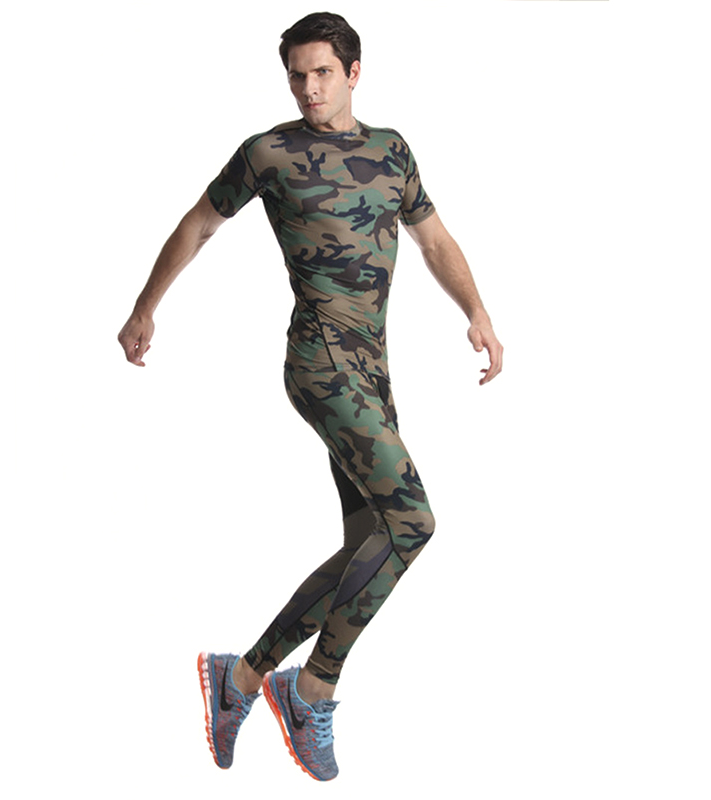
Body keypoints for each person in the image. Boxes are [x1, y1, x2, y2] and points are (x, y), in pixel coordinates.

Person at [118, 12, 503, 782]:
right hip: (321, 364)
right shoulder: (269, 153)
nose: (308, 88)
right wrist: (144, 308)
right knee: (414, 521)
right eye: (296, 75)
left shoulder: (392, 151)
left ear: (354, 72)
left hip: (374, 369)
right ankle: (313, 686)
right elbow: (198, 225)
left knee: (372, 542)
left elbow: (433, 239)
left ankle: (240, 677)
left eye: (322, 72)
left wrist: (478, 312)